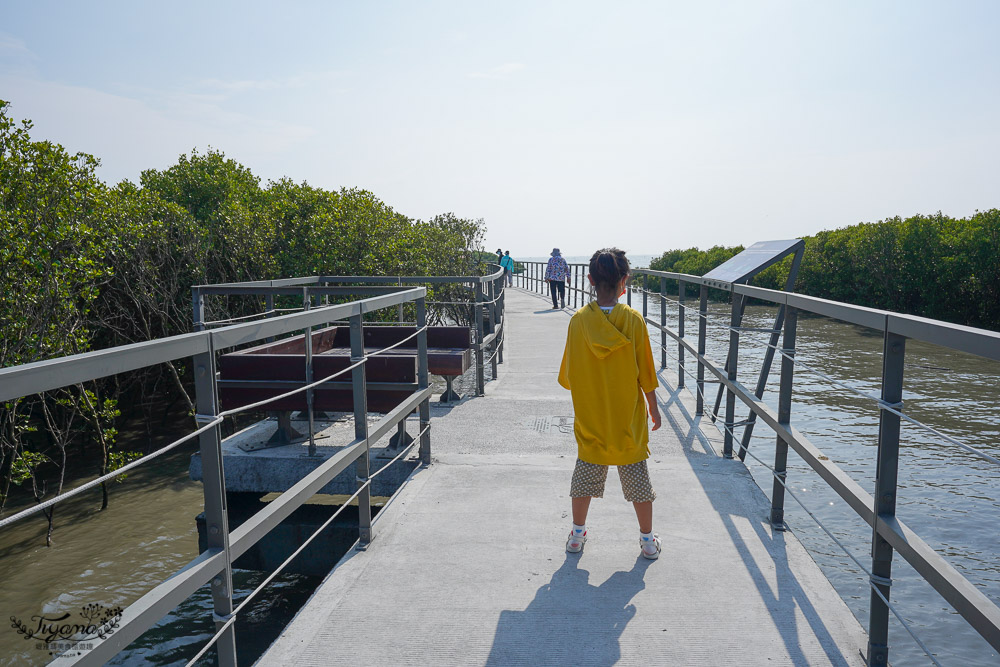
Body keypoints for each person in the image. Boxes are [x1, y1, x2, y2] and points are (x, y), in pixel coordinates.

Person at [557, 248, 663, 559]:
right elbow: (646, 372)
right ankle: (647, 541)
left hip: (592, 419)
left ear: (589, 280)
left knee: (583, 480)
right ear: (624, 282)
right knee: (639, 482)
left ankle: (577, 535)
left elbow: (569, 375)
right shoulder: (632, 320)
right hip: (626, 420)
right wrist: (653, 407)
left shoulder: (578, 322)